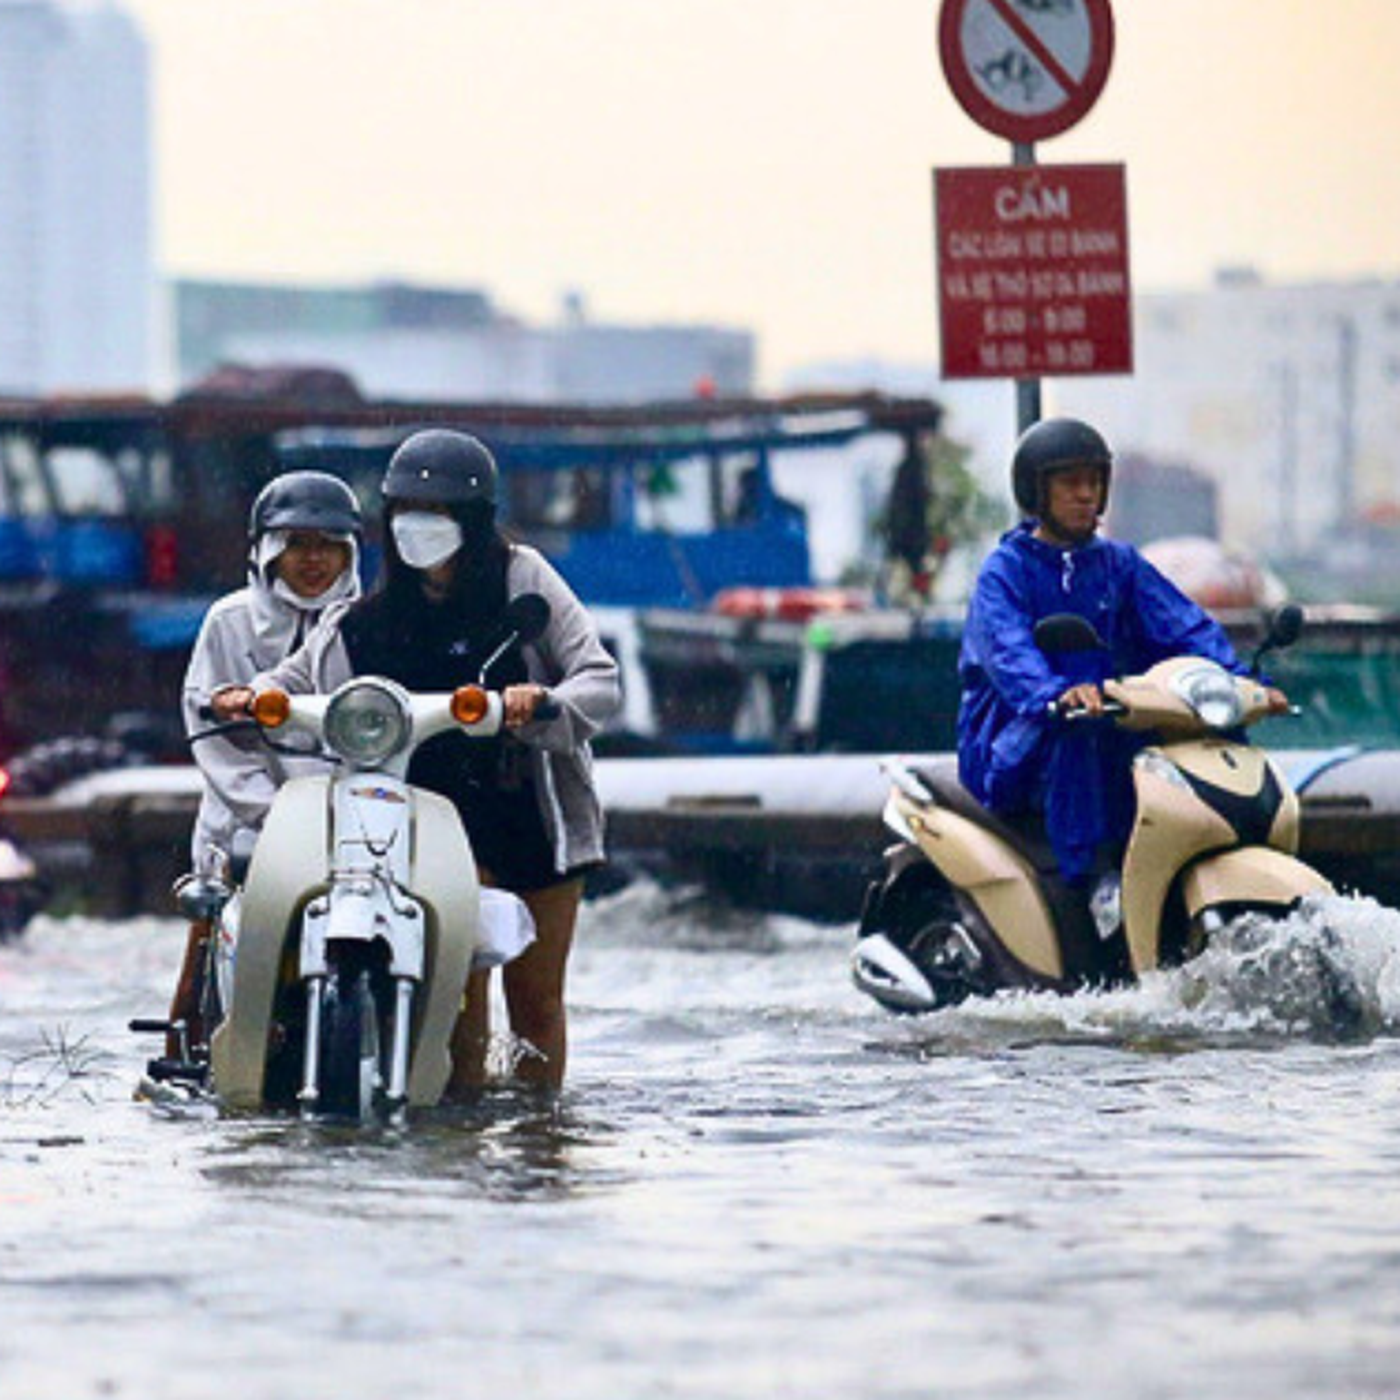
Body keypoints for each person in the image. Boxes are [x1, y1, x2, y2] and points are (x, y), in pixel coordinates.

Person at [213, 428, 621, 1092]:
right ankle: (455, 1142)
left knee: (536, 1002)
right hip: (430, 820)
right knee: (457, 1004)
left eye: (438, 515)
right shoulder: (366, 617)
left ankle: (542, 1145)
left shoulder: (525, 578)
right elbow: (295, 677)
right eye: (404, 512)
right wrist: (252, 698)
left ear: (474, 520)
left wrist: (538, 702)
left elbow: (598, 680)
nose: (419, 529)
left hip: (530, 811)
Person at [957, 416, 1288, 904]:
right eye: (1070, 483)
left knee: (1206, 735)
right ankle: (1093, 880)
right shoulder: (1004, 572)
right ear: (1035, 490)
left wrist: (1242, 682)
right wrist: (1053, 694)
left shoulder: (1119, 563)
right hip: (1016, 729)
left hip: (1109, 707)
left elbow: (1183, 626)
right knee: (1082, 735)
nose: (1086, 494)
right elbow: (1009, 654)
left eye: (1093, 482)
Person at [168, 470, 363, 1054]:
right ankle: (187, 1048)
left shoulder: (368, 622)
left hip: (346, 823)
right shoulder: (228, 622)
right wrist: (275, 813)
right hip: (245, 821)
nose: (313, 560)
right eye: (297, 543)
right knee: (206, 954)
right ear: (266, 550)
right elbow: (212, 734)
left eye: (329, 545)